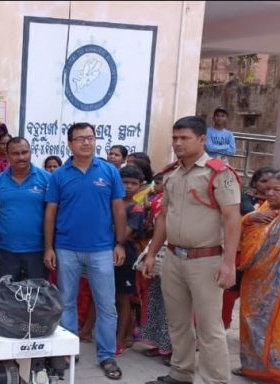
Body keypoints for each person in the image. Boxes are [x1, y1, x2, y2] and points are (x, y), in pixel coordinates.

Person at [142, 116, 241, 384]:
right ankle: (181, 373)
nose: (178, 143)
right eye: (175, 138)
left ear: (202, 139)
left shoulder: (219, 173)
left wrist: (228, 263)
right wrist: (152, 254)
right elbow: (164, 216)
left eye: (184, 138)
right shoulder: (172, 172)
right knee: (177, 323)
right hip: (174, 257)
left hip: (207, 260)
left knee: (210, 327)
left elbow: (232, 219)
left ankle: (215, 380)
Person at [44, 122, 127, 380]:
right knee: (66, 302)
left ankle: (106, 355)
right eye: (80, 139)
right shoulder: (59, 175)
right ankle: (69, 352)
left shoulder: (109, 172)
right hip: (66, 248)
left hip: (102, 249)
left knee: (106, 305)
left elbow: (118, 209)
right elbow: (50, 212)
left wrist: (120, 243)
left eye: (90, 138)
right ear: (70, 143)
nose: (86, 143)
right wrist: (49, 247)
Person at [233, 171, 280, 382]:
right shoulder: (262, 209)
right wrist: (248, 219)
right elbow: (245, 236)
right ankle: (253, 367)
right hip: (255, 280)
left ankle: (277, 369)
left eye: (276, 190)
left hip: (278, 284)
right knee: (250, 321)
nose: (269, 193)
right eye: (268, 188)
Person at [0, 137, 50, 280]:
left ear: (31, 153)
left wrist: (50, 248)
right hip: (6, 250)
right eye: (15, 154)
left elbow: (52, 215)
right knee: (8, 298)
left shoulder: (46, 179)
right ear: (7, 156)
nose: (21, 157)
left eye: (25, 152)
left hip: (38, 251)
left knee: (36, 298)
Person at [223, 166, 275, 329]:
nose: (268, 186)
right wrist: (251, 217)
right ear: (254, 183)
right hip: (241, 254)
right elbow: (239, 220)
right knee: (230, 294)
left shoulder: (274, 204)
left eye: (273, 183)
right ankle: (223, 324)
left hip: (267, 262)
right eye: (264, 181)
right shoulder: (246, 199)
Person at [139, 172, 172, 364]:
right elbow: (154, 227)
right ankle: (158, 344)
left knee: (174, 306)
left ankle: (173, 349)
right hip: (158, 252)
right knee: (155, 300)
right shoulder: (157, 201)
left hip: (176, 255)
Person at [115, 165, 148, 356]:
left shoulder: (136, 208)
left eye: (133, 183)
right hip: (106, 253)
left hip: (126, 257)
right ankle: (86, 332)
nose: (128, 186)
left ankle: (120, 339)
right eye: (124, 182)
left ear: (140, 186)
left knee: (123, 298)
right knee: (104, 296)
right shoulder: (112, 203)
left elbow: (124, 234)